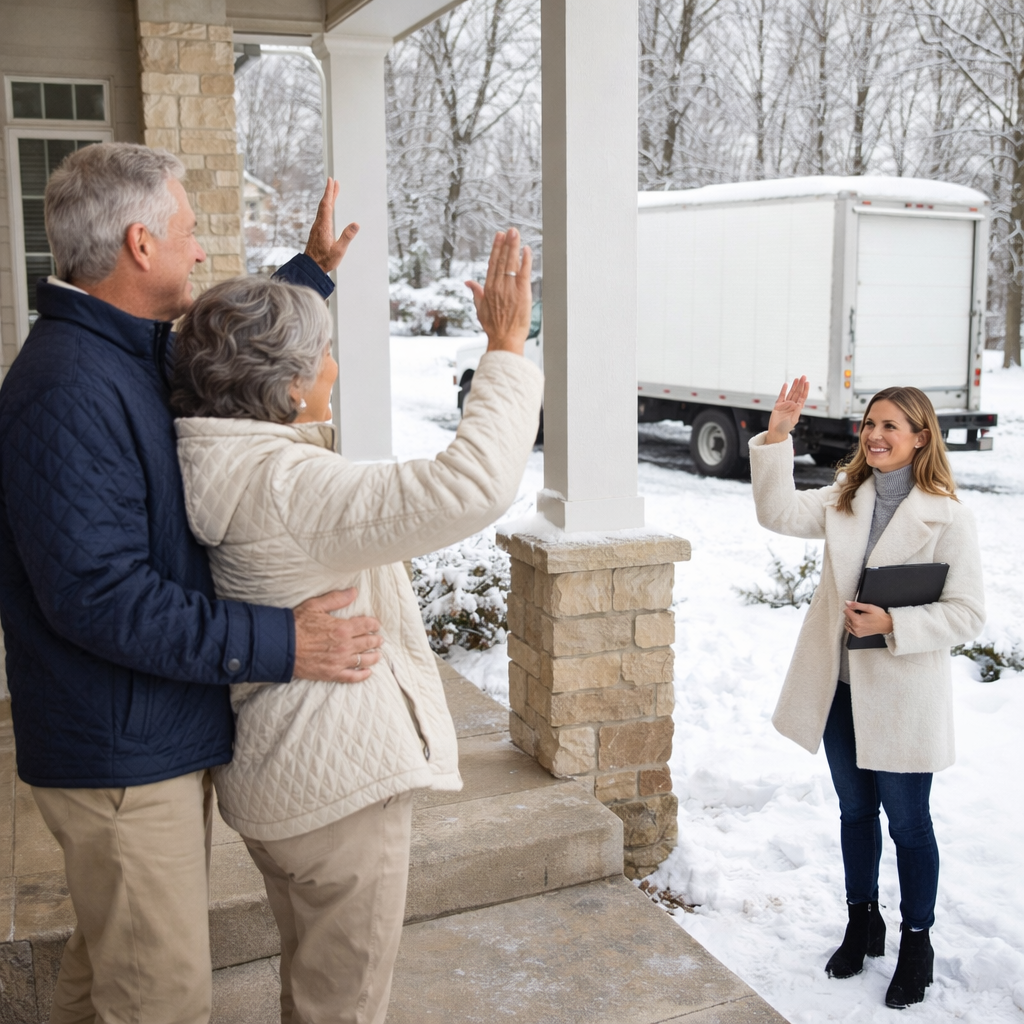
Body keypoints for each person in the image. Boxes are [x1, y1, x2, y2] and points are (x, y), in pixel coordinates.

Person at [0, 142, 383, 1024]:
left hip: (140, 738)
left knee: (109, 972)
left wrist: (309, 277)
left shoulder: (120, 351)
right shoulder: (67, 387)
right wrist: (285, 642)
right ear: (140, 244)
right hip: (117, 758)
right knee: (158, 1000)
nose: (200, 250)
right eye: (188, 229)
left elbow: (213, 358)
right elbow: (99, 595)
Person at [170, 227, 543, 1024]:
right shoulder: (291, 486)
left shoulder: (215, 461)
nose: (332, 367)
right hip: (336, 797)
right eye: (323, 355)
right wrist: (506, 349)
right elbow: (471, 485)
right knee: (345, 1007)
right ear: (288, 384)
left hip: (279, 780)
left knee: (313, 988)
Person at [748, 378, 985, 1010]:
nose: (875, 436)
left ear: (920, 437)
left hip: (904, 696)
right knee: (855, 814)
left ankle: (916, 942)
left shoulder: (949, 517)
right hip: (839, 691)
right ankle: (862, 922)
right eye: (870, 424)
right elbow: (775, 512)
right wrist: (778, 435)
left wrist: (895, 624)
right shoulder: (843, 499)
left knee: (909, 824)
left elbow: (968, 614)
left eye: (891, 427)